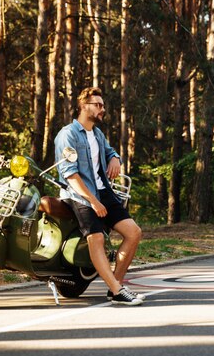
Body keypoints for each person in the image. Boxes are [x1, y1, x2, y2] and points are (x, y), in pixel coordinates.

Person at [54, 87, 144, 306]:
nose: (103, 109)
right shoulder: (68, 134)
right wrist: (93, 202)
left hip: (104, 191)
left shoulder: (97, 133)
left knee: (133, 232)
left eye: (103, 105)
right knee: (97, 238)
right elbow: (70, 175)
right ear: (84, 106)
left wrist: (116, 158)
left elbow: (109, 151)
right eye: (98, 105)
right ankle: (116, 289)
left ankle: (116, 288)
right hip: (78, 194)